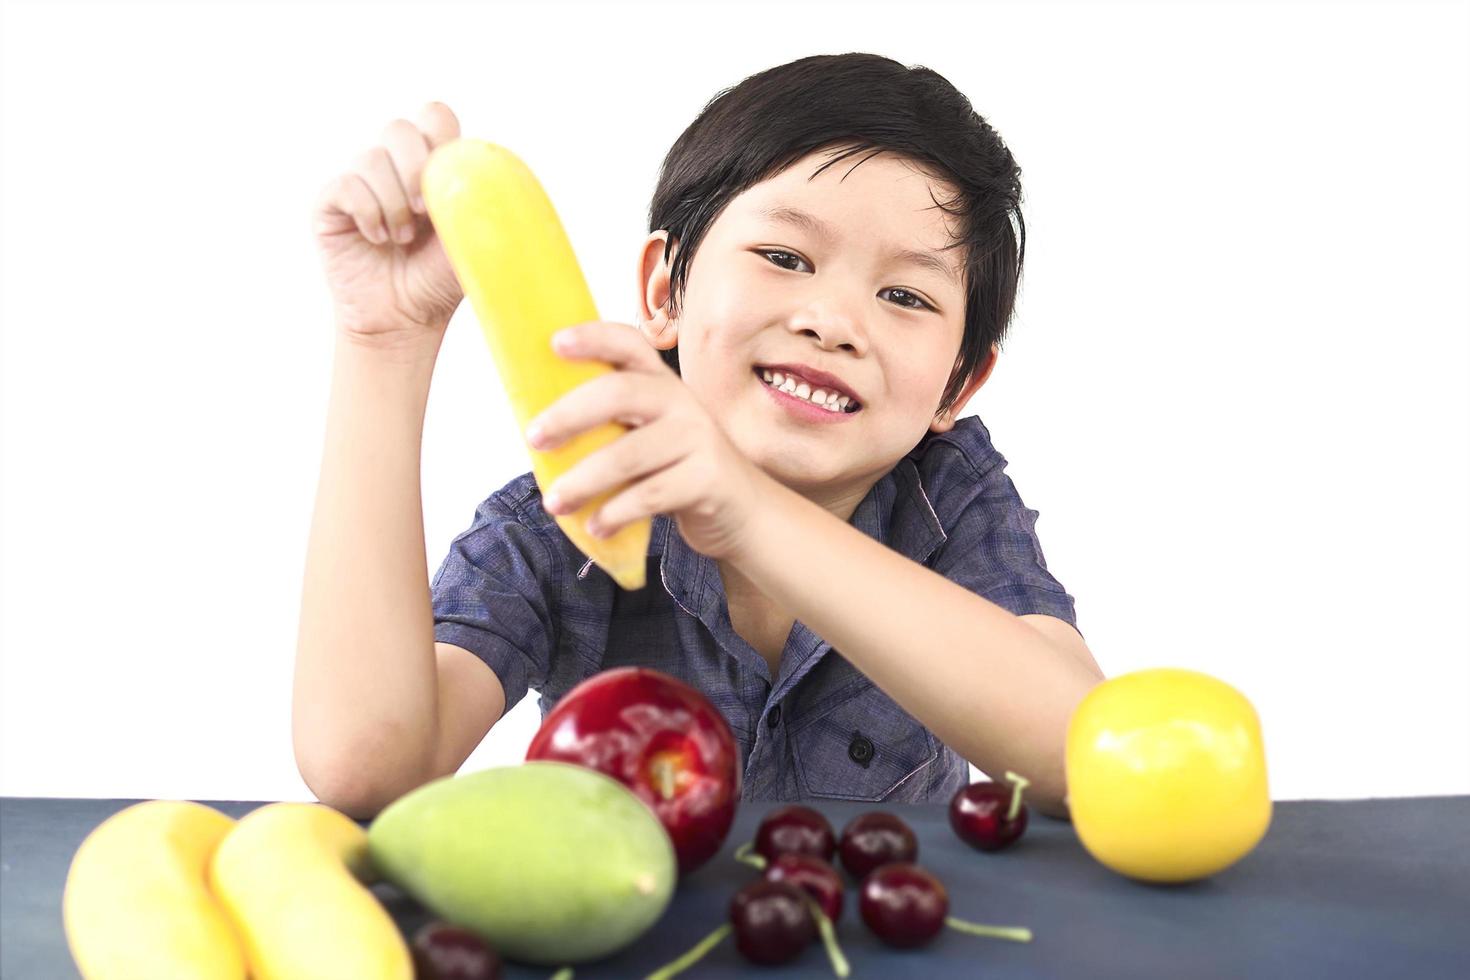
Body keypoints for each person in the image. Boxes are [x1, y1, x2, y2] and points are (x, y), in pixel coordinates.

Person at [294, 53, 1105, 823]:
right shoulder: (571, 510)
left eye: (904, 295)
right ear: (663, 289)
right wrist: (383, 344)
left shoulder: (950, 498)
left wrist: (747, 511)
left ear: (959, 384)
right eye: (785, 256)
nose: (833, 322)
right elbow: (369, 767)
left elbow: (1086, 757)